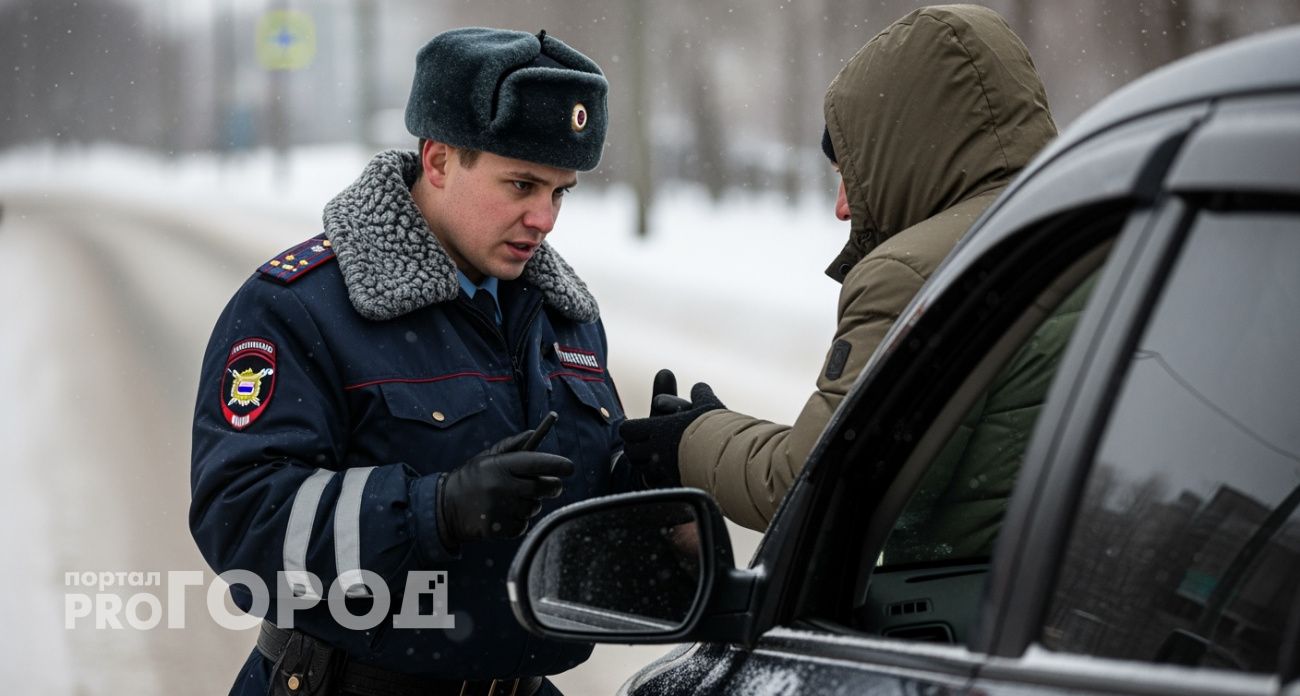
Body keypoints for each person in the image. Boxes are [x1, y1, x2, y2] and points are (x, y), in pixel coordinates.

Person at [190, 27, 624, 696]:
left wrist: (649, 472)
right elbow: (242, 518)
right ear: (440, 159)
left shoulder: (565, 316)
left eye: (560, 191)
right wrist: (430, 510)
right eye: (521, 184)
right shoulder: (302, 308)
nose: (544, 218)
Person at [619, 5, 1058, 532]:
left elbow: (817, 487)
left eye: (849, 173)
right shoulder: (1096, 226)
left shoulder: (916, 273)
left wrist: (689, 441)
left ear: (907, 153)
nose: (842, 206)